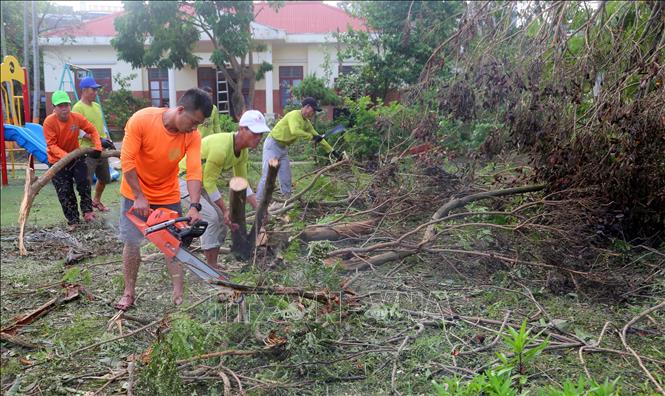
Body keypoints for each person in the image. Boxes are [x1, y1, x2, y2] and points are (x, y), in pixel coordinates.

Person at [115, 88, 212, 311]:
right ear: (180, 110)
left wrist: (195, 206)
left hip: (167, 194)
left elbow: (194, 171)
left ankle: (178, 294)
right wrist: (139, 196)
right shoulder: (142, 120)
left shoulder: (192, 136)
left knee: (174, 244)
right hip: (135, 192)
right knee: (132, 242)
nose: (195, 128)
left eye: (199, 124)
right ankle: (129, 292)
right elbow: (127, 160)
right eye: (193, 121)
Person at [179, 110, 270, 270]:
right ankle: (210, 267)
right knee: (212, 218)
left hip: (200, 181)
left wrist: (259, 207)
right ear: (242, 129)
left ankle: (212, 263)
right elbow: (209, 182)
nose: (258, 138)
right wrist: (225, 208)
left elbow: (241, 182)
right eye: (255, 133)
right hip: (183, 178)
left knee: (221, 218)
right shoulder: (221, 147)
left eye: (260, 134)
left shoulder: (243, 151)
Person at [256, 97, 342, 202]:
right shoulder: (294, 115)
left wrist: (332, 151)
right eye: (313, 110)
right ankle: (257, 202)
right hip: (272, 145)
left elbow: (318, 137)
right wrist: (312, 137)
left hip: (283, 149)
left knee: (286, 176)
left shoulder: (306, 123)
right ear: (307, 107)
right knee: (268, 175)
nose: (314, 113)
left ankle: (287, 201)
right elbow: (295, 131)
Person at [43, 90, 102, 228]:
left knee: (84, 183)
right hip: (56, 161)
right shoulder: (49, 122)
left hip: (76, 156)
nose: (64, 108)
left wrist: (98, 147)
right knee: (65, 191)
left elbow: (92, 130)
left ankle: (87, 212)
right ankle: (73, 220)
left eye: (66, 105)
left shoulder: (76, 118)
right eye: (61, 106)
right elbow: (51, 145)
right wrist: (65, 157)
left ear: (70, 105)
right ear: (54, 108)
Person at [72, 76, 115, 212]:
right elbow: (77, 130)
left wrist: (108, 139)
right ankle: (87, 209)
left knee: (104, 178)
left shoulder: (96, 106)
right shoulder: (77, 108)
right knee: (86, 181)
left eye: (96, 90)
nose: (95, 92)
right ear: (84, 90)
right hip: (87, 150)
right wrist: (95, 139)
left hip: (101, 148)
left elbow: (102, 126)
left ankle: (96, 200)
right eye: (93, 89)